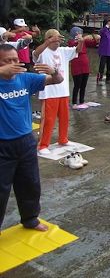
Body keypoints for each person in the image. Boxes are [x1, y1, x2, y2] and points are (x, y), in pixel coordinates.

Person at [0, 43, 63, 234]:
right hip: (3, 145)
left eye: (15, 60)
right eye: (7, 61)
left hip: (26, 141)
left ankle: (30, 219)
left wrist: (54, 70)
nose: (13, 64)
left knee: (30, 183)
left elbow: (57, 80)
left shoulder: (25, 79)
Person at [33, 30, 83, 161]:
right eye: (54, 38)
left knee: (65, 118)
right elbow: (35, 53)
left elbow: (77, 50)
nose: (57, 40)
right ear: (48, 38)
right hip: (49, 91)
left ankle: (63, 139)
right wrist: (48, 41)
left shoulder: (63, 51)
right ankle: (43, 145)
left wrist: (81, 42)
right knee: (48, 120)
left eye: (58, 38)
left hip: (63, 91)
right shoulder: (43, 51)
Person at [68, 27, 100, 109]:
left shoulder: (84, 41)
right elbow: (74, 46)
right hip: (76, 65)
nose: (80, 34)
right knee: (77, 84)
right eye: (79, 33)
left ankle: (82, 101)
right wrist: (82, 39)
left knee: (83, 85)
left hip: (85, 65)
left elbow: (94, 42)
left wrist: (93, 36)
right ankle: (74, 102)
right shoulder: (71, 42)